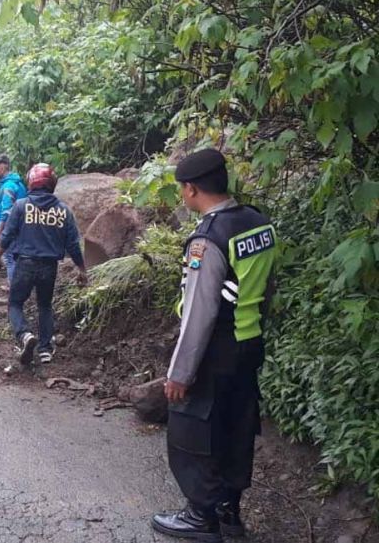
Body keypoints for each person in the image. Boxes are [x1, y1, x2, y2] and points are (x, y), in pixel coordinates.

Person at [151, 149, 277, 542]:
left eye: (181, 192)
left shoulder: (208, 239)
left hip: (216, 348)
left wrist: (180, 373)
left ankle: (200, 516)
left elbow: (199, 313)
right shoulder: (258, 223)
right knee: (236, 426)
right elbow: (269, 286)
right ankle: (229, 510)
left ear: (190, 190)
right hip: (250, 342)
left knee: (193, 430)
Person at [0, 163, 86, 366]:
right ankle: (45, 350)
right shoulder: (63, 211)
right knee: (44, 306)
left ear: (31, 182)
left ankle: (24, 335)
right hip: (49, 267)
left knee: (15, 303)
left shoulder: (21, 205)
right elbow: (73, 245)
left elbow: (7, 235)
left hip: (25, 263)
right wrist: (82, 268)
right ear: (52, 184)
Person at [0, 154, 27, 284]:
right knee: (16, 257)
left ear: (3, 166)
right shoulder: (18, 184)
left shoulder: (9, 186)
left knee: (10, 257)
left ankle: (13, 289)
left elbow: (7, 210)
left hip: (11, 228)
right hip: (21, 226)